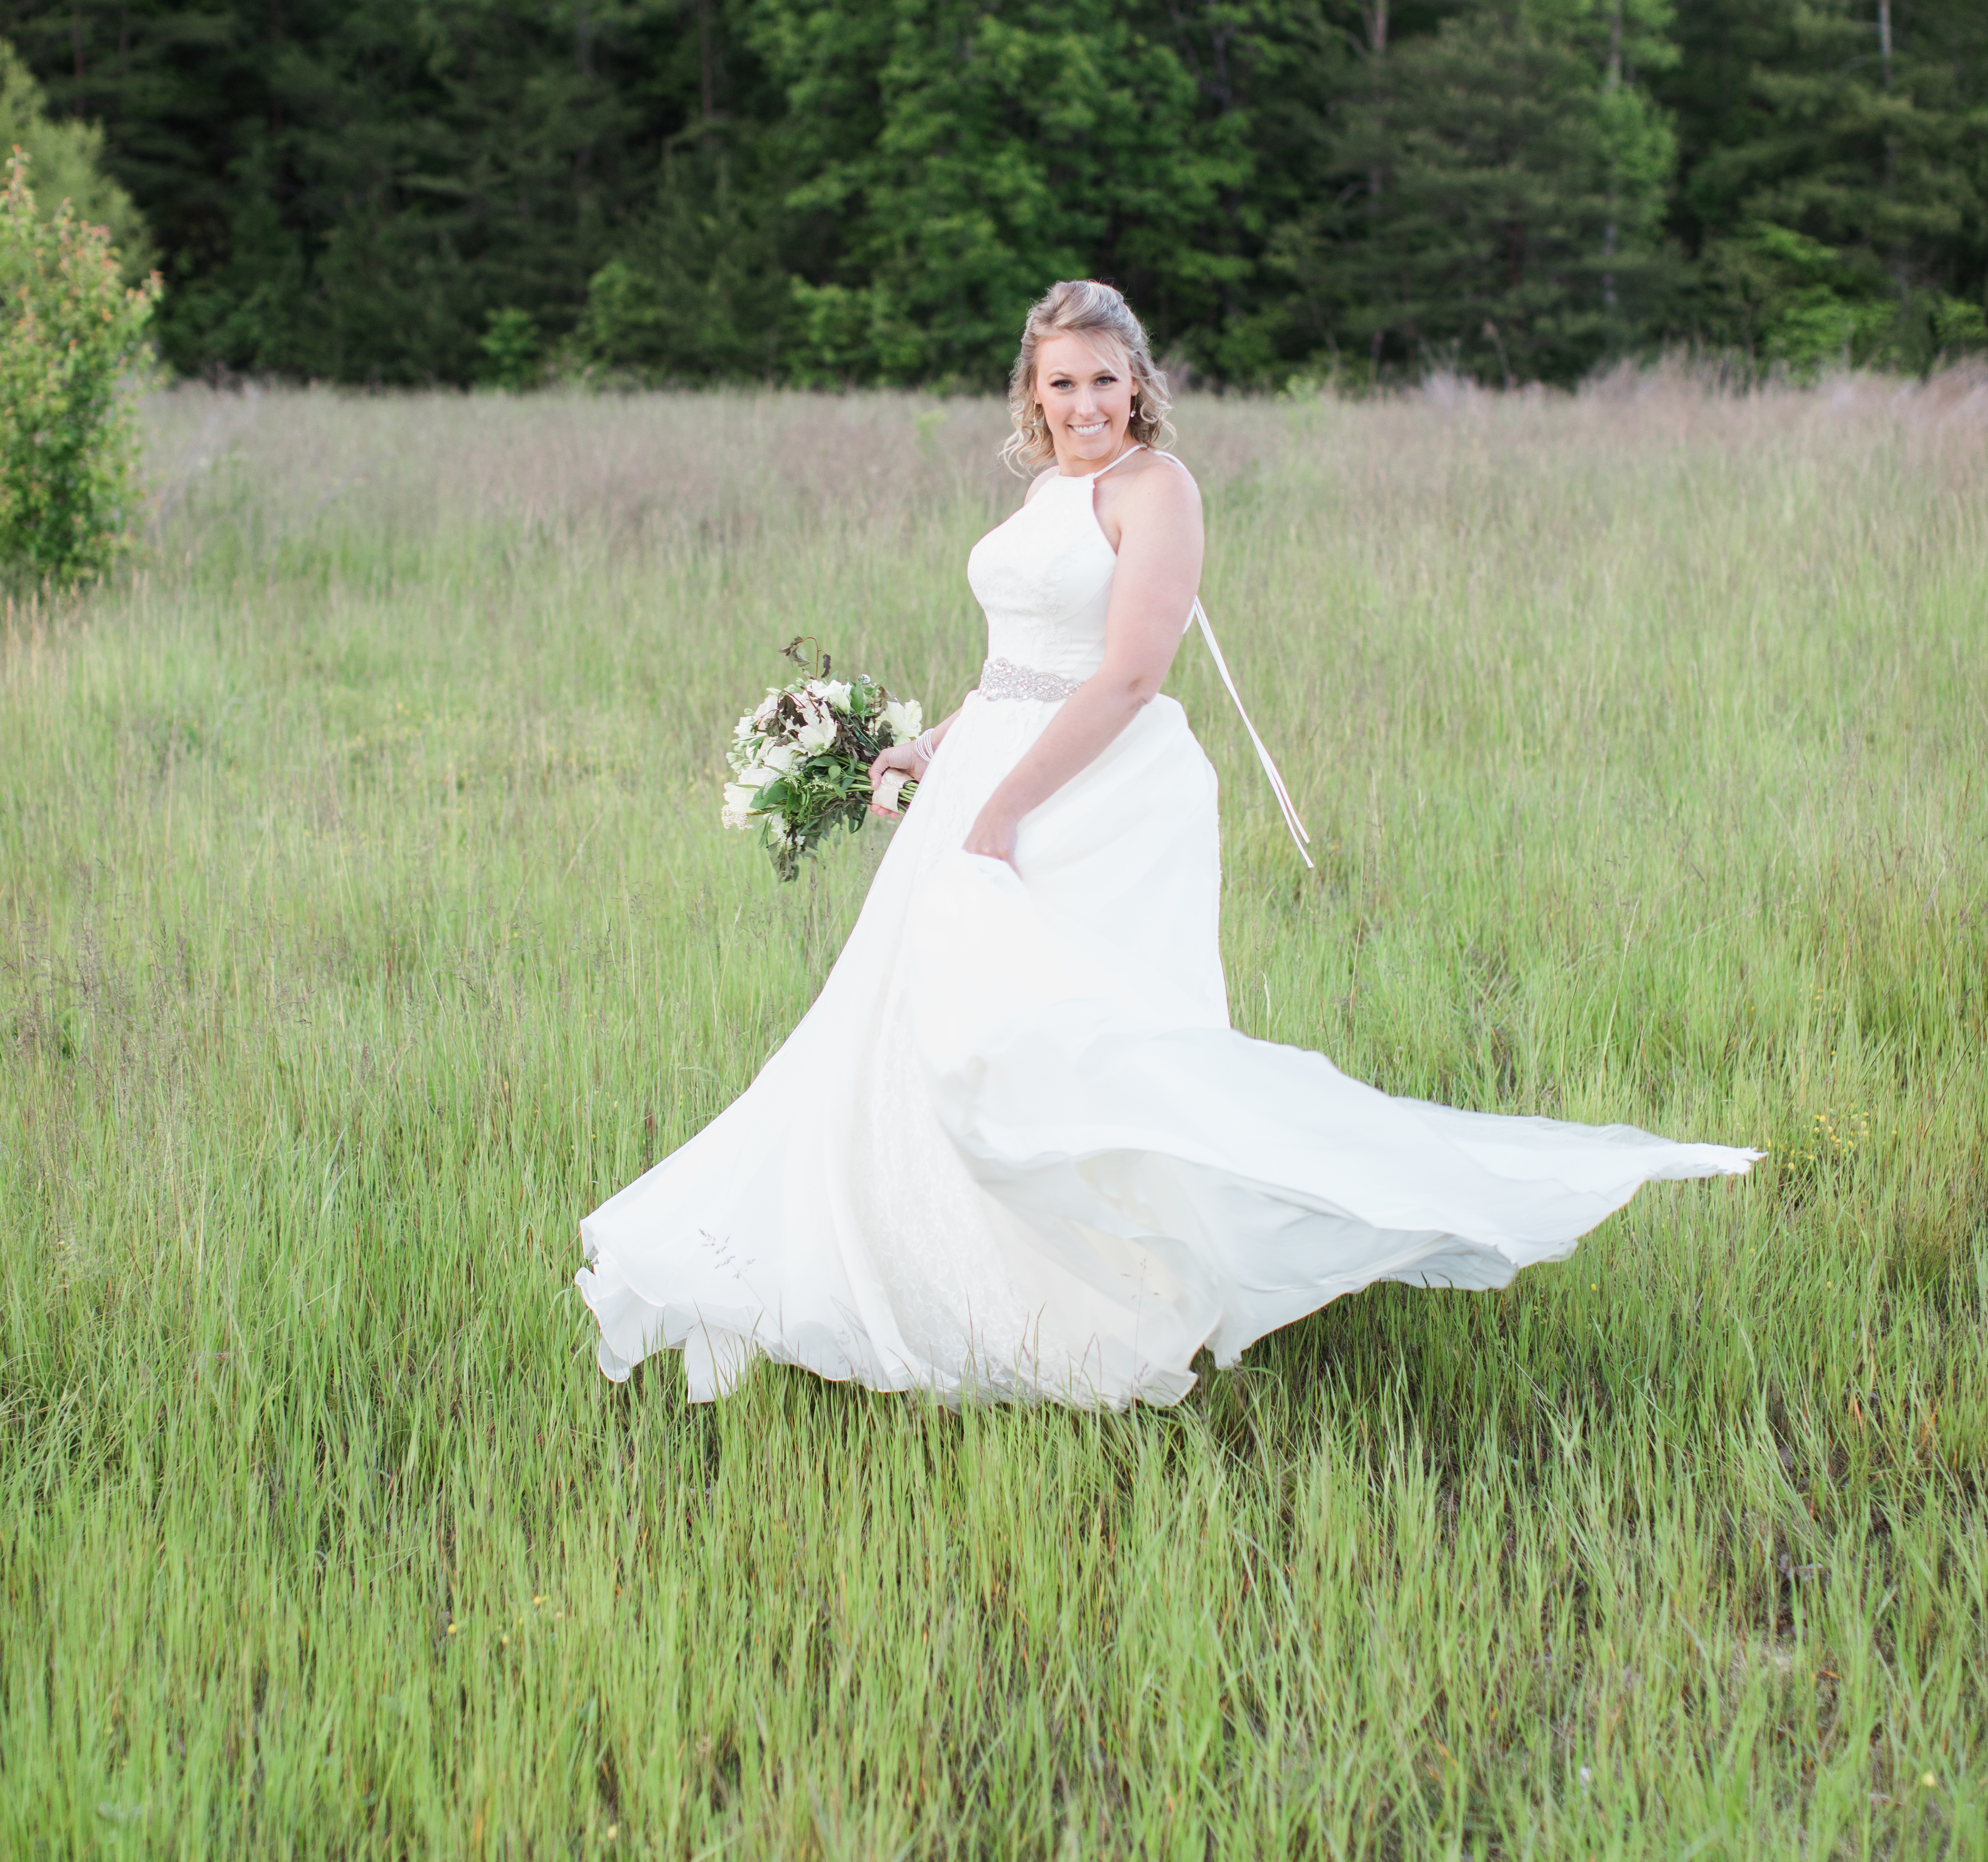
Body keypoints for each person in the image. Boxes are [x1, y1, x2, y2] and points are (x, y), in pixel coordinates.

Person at [576, 278, 1755, 1405]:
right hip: (998, 772)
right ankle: (944, 1279)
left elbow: (1131, 675)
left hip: (1098, 798)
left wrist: (997, 817)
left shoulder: (1157, 489)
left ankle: (1115, 1294)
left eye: (1104, 381)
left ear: (1138, 383)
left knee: (1091, 1047)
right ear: (1030, 396)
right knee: (931, 1037)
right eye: (1061, 385)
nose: (1084, 405)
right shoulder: (1046, 495)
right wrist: (933, 750)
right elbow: (1017, 667)